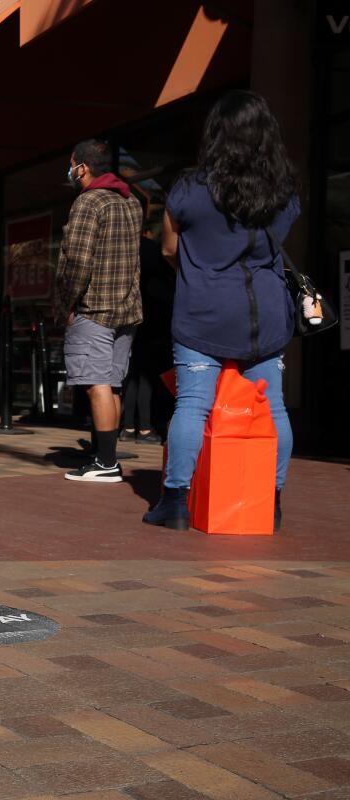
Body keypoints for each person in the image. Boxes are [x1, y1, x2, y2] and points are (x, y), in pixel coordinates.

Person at [144, 90, 299, 532]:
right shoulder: (285, 192)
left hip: (203, 312)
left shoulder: (191, 189)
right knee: (273, 409)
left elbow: (169, 248)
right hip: (264, 317)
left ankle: (174, 501)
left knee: (193, 405)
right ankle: (269, 501)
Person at [57, 139, 143, 482]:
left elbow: (78, 261)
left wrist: (66, 304)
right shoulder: (131, 201)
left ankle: (106, 462)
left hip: (94, 308)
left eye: (72, 164)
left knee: (96, 385)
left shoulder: (88, 203)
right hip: (126, 308)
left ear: (83, 167)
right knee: (112, 384)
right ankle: (105, 455)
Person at [119, 227, 175, 444]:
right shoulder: (154, 252)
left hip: (133, 316)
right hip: (156, 317)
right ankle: (144, 427)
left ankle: (128, 426)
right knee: (148, 376)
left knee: (134, 373)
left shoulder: (126, 249)